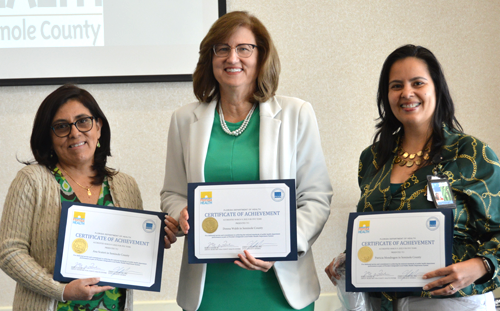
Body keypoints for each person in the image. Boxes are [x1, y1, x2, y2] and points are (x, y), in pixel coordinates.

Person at [161, 11, 333, 311]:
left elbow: (316, 197)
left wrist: (284, 247)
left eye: (244, 48)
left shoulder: (297, 114)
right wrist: (182, 212)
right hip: (209, 289)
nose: (232, 58)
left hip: (280, 288)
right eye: (222, 48)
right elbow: (172, 193)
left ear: (261, 55)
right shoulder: (183, 120)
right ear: (210, 57)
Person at [325, 45, 500, 311]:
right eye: (396, 86)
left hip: (453, 303)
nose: (407, 93)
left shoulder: (471, 154)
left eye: (417, 82)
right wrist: (352, 259)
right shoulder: (372, 159)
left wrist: (481, 265)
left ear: (437, 89)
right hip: (380, 303)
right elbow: (380, 231)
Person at [0, 85, 177, 311]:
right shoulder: (31, 181)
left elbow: (128, 252)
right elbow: (9, 252)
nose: (75, 133)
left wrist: (154, 242)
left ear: (99, 127)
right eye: (61, 127)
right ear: (49, 136)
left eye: (83, 121)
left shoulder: (125, 185)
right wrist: (61, 290)